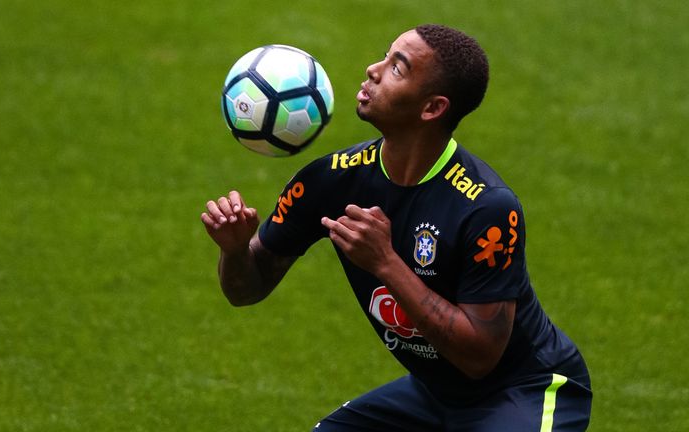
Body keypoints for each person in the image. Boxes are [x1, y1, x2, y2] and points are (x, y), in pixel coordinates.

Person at [201, 24, 592, 431]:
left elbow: (481, 357)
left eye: (397, 68)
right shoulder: (329, 182)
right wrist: (234, 250)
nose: (373, 69)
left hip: (524, 391)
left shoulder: (486, 207)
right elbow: (247, 290)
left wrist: (386, 262)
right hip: (434, 394)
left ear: (432, 108)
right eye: (385, 57)